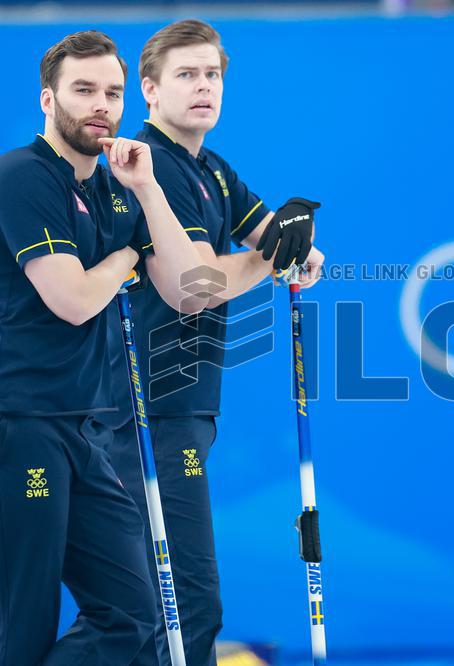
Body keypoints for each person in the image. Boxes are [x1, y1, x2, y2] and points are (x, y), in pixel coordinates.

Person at [0, 30, 209, 666]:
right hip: (12, 422)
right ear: (47, 99)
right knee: (25, 621)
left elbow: (187, 290)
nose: (101, 105)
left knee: (132, 614)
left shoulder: (118, 187)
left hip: (81, 428)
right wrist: (123, 258)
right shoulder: (20, 176)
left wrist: (148, 191)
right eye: (84, 90)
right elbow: (72, 299)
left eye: (113, 93)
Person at [103, 19, 326, 666]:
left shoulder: (212, 170)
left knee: (170, 606)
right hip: (147, 411)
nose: (204, 87)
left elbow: (282, 247)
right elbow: (199, 284)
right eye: (186, 75)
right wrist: (273, 259)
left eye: (213, 75)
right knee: (185, 605)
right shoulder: (157, 167)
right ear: (150, 89)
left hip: (186, 407)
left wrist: (298, 247)